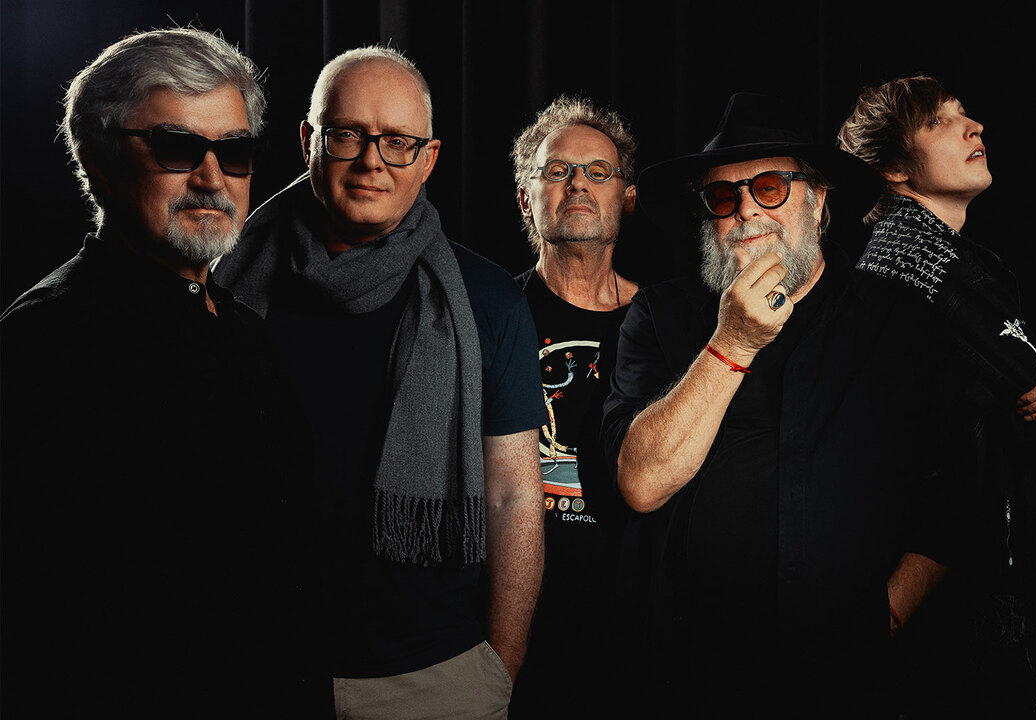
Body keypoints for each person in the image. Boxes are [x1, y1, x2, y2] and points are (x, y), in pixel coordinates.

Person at [602, 92, 970, 717]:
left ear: (819, 200)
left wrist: (885, 616)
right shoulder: (660, 315)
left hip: (845, 678)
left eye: (770, 187)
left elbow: (952, 500)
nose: (747, 209)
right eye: (723, 197)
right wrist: (732, 342)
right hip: (691, 673)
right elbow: (640, 483)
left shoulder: (897, 322)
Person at [212, 46, 546, 719]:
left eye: (398, 142)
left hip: (433, 676)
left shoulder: (485, 298)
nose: (372, 161)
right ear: (308, 141)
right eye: (348, 135)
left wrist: (496, 672)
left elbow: (513, 495)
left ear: (429, 159)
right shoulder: (226, 281)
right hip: (254, 664)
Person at [0, 28, 323, 716]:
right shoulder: (46, 342)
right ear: (99, 158)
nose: (211, 177)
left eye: (234, 152)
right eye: (177, 147)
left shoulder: (246, 333)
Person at [837, 74, 1036, 717]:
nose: (973, 127)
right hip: (944, 585)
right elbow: (1029, 380)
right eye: (940, 121)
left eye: (965, 114)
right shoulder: (913, 260)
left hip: (965, 566)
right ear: (895, 169)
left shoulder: (935, 255)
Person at [506, 94, 639, 717]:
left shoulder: (669, 323)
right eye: (557, 170)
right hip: (519, 627)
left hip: (638, 628)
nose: (578, 183)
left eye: (598, 171)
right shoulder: (492, 316)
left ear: (628, 198)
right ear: (525, 198)